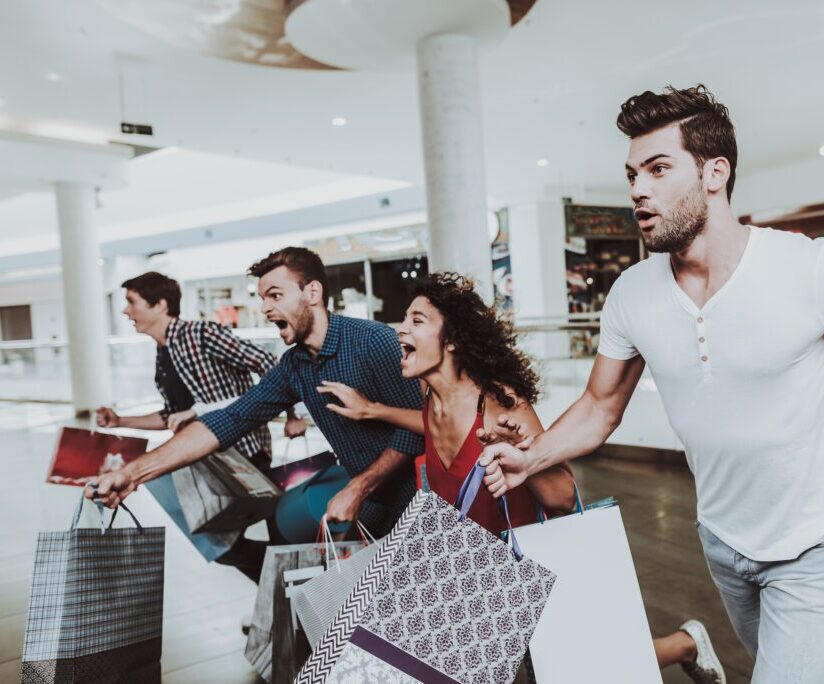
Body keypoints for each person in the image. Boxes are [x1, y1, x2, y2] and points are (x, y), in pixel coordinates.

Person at [478, 85, 824, 683]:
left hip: (815, 543)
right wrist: (531, 457)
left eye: (659, 169)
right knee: (798, 646)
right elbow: (601, 406)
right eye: (633, 173)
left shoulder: (815, 270)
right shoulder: (632, 293)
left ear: (716, 172)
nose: (638, 188)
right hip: (723, 542)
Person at [317, 272, 727, 682]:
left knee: (578, 663)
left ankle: (684, 643)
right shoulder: (431, 399)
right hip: (472, 571)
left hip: (524, 566)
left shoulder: (497, 405)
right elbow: (433, 426)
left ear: (452, 340)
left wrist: (523, 456)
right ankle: (682, 643)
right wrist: (374, 410)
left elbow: (563, 497)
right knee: (554, 662)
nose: (401, 329)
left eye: (417, 320)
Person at [90, 247, 424, 538]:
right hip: (371, 501)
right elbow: (230, 419)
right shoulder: (294, 365)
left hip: (419, 500)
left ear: (312, 292)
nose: (264, 308)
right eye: (262, 298)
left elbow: (417, 429)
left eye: (275, 295)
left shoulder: (373, 341)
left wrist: (356, 488)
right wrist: (131, 474)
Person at [95, 271, 306, 582]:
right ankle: (286, 593)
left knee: (222, 541)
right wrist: (121, 421)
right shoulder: (163, 353)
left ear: (160, 305)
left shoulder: (201, 334)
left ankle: (292, 592)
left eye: (131, 302)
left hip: (242, 454)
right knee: (217, 544)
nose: (126, 311)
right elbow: (172, 415)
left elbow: (269, 363)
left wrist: (293, 414)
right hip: (202, 461)